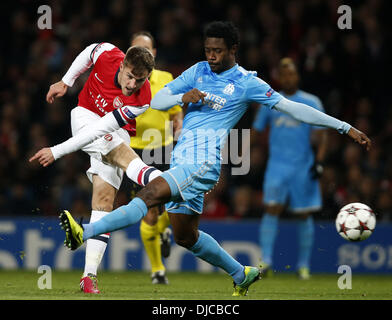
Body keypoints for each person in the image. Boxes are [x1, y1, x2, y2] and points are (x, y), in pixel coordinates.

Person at [31, 21, 371, 296]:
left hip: (204, 162)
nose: (211, 56)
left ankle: (85, 230)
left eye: (218, 51)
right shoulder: (197, 71)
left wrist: (343, 127)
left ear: (233, 50)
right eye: (208, 50)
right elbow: (160, 98)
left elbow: (291, 106)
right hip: (182, 160)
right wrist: (183, 94)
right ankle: (242, 273)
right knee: (185, 236)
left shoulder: (247, 83)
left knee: (150, 196)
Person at [30, 43, 161, 294]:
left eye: (140, 80)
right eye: (130, 77)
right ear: (122, 66)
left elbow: (105, 128)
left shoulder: (143, 99)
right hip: (84, 115)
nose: (133, 84)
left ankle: (88, 276)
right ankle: (159, 180)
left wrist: (56, 151)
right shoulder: (108, 53)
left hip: (113, 131)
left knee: (104, 201)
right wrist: (65, 81)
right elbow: (88, 52)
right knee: (121, 154)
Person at [253, 57, 328, 279]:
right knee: (271, 209)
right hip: (276, 166)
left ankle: (303, 266)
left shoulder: (311, 102)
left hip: (302, 167)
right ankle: (266, 262)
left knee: (303, 215)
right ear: (279, 77)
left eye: (291, 74)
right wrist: (241, 156)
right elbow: (256, 131)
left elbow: (322, 135)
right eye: (283, 74)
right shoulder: (270, 101)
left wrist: (320, 161)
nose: (288, 78)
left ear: (298, 76)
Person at [129, 31, 183, 285]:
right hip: (133, 151)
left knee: (166, 209)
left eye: (146, 49)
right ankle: (158, 271)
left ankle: (163, 234)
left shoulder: (165, 78)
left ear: (154, 54)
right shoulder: (123, 80)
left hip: (163, 150)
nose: (142, 53)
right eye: (136, 49)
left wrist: (180, 133)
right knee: (149, 211)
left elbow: (176, 114)